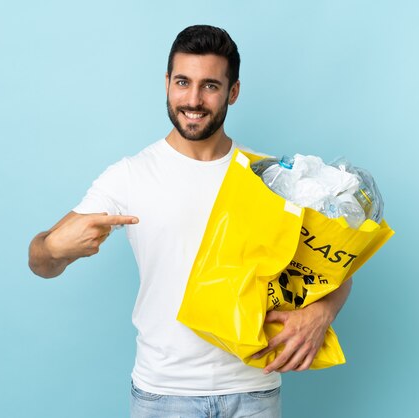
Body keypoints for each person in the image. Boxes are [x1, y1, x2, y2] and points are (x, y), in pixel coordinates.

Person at [28, 24, 352, 418]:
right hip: (163, 396)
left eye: (210, 86)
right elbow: (41, 259)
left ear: (232, 91)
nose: (193, 99)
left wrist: (321, 313)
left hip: (254, 392)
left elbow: (334, 266)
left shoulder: (270, 178)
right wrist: (54, 249)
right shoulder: (130, 175)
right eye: (183, 82)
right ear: (167, 83)